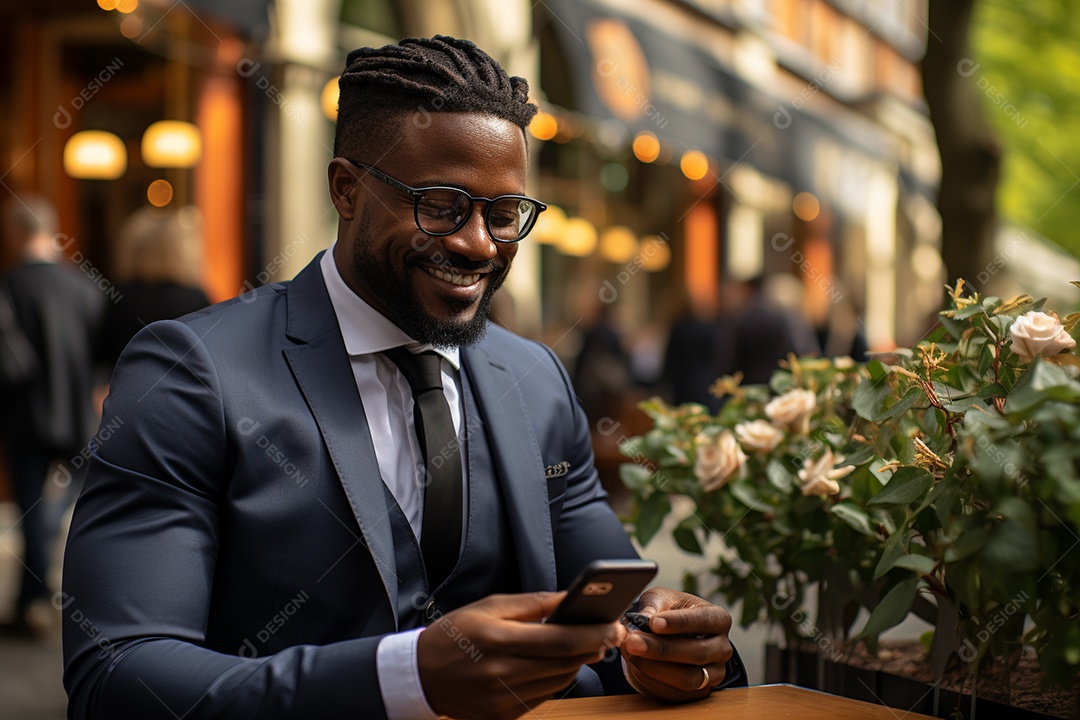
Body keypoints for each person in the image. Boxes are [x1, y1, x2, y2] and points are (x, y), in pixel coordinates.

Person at [62, 36, 744, 720]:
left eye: (504, 215)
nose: (479, 244)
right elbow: (119, 673)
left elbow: (619, 617)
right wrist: (402, 678)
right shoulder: (191, 372)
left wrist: (679, 650)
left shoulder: (534, 379)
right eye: (442, 205)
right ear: (347, 190)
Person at [0, 194, 103, 635]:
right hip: (81, 419)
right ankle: (38, 599)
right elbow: (102, 358)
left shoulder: (9, 286)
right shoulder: (87, 287)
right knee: (59, 508)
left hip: (25, 418)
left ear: (17, 232)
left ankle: (34, 601)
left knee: (32, 510)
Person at [94, 207, 210, 377]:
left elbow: (100, 355)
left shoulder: (119, 297)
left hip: (127, 390)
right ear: (182, 250)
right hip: (183, 394)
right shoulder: (196, 299)